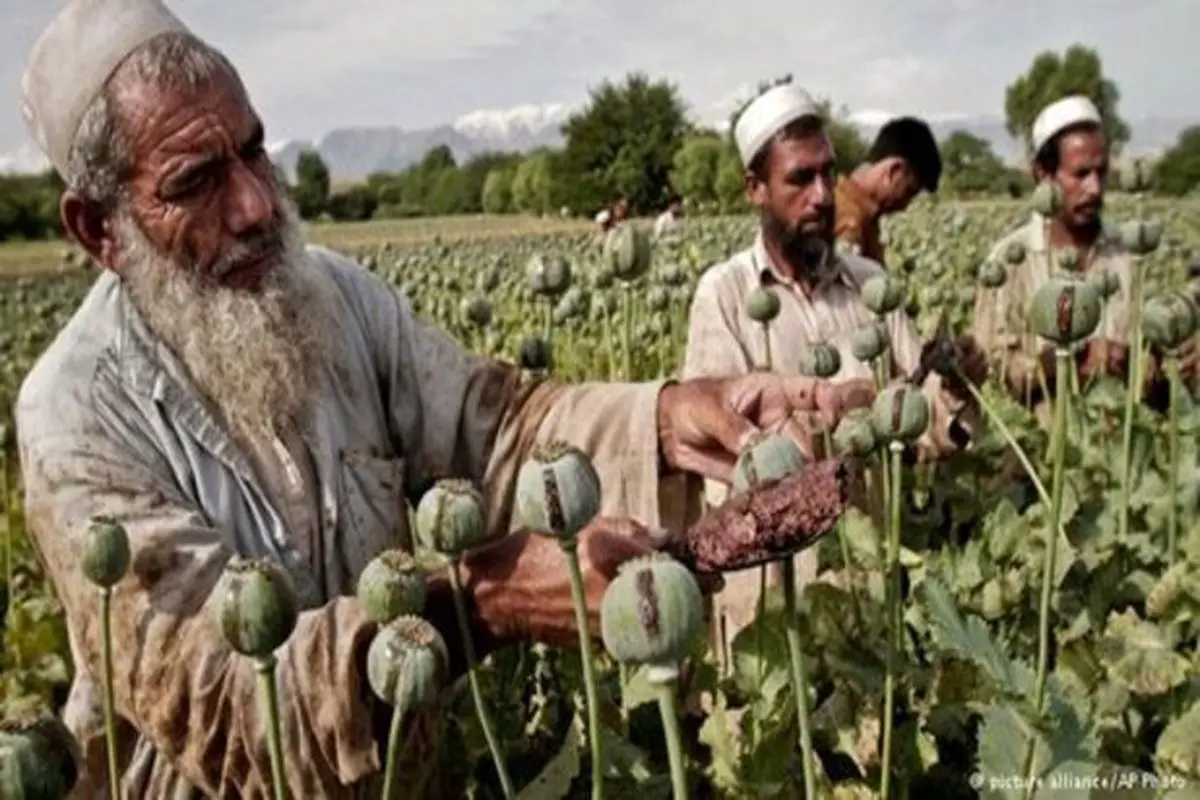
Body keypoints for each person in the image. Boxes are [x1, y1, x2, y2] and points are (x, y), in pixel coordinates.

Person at [15, 1, 877, 796]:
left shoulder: (333, 298)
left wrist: (667, 414)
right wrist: (480, 605)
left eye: (253, 151)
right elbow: (229, 705)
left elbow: (498, 426)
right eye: (195, 181)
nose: (254, 205)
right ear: (99, 231)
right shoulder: (76, 415)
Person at [681, 83, 988, 670]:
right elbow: (721, 447)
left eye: (829, 173)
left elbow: (921, 427)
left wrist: (953, 385)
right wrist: (836, 411)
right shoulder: (723, 294)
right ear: (756, 190)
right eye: (800, 179)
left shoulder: (870, 285)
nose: (823, 196)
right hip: (768, 612)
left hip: (864, 595)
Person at [972, 95, 1197, 423]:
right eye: (1080, 174)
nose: (1094, 188)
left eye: (1101, 172)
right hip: (1036, 460)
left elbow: (1163, 372)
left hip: (1124, 453)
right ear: (1042, 175)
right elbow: (989, 375)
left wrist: (1145, 363)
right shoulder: (1008, 263)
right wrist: (1071, 360)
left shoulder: (1133, 254)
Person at [835, 116, 942, 265]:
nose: (904, 207)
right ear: (894, 171)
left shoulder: (864, 215)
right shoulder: (850, 222)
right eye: (909, 192)